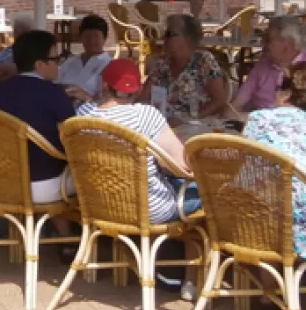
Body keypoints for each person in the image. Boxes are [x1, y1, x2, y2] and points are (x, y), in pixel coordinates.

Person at [80, 59, 200, 224]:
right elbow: (183, 166)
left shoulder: (83, 113)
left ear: (104, 85)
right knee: (206, 192)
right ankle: (199, 246)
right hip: (147, 209)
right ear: (139, 89)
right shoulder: (145, 115)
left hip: (99, 204)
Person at [242, 62, 306, 259]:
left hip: (253, 220)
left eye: (277, 89)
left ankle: (268, 281)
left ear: (286, 95)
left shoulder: (255, 120)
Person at [0, 30, 77, 205]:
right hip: (43, 184)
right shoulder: (54, 93)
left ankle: (55, 229)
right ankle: (83, 230)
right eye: (55, 60)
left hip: (0, 181)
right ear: (39, 64)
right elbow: (73, 140)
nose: (59, 65)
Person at [232, 16, 306, 119]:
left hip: (300, 130)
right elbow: (238, 103)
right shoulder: (262, 65)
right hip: (260, 127)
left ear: (287, 44)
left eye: (268, 39)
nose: (262, 43)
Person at [144, 14, 228, 121]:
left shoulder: (203, 61)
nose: (164, 38)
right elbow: (143, 97)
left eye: (169, 34)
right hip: (164, 125)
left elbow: (219, 100)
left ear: (187, 38)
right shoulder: (162, 63)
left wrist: (189, 119)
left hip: (198, 125)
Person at [59, 14, 112, 101]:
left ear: (104, 38)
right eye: (87, 36)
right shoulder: (71, 62)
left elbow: (109, 100)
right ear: (81, 38)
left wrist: (87, 97)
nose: (91, 41)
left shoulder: (109, 65)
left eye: (96, 36)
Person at [0, 13, 33, 85]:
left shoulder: (41, 54)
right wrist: (8, 69)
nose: (18, 38)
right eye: (15, 33)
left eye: (23, 34)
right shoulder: (8, 52)